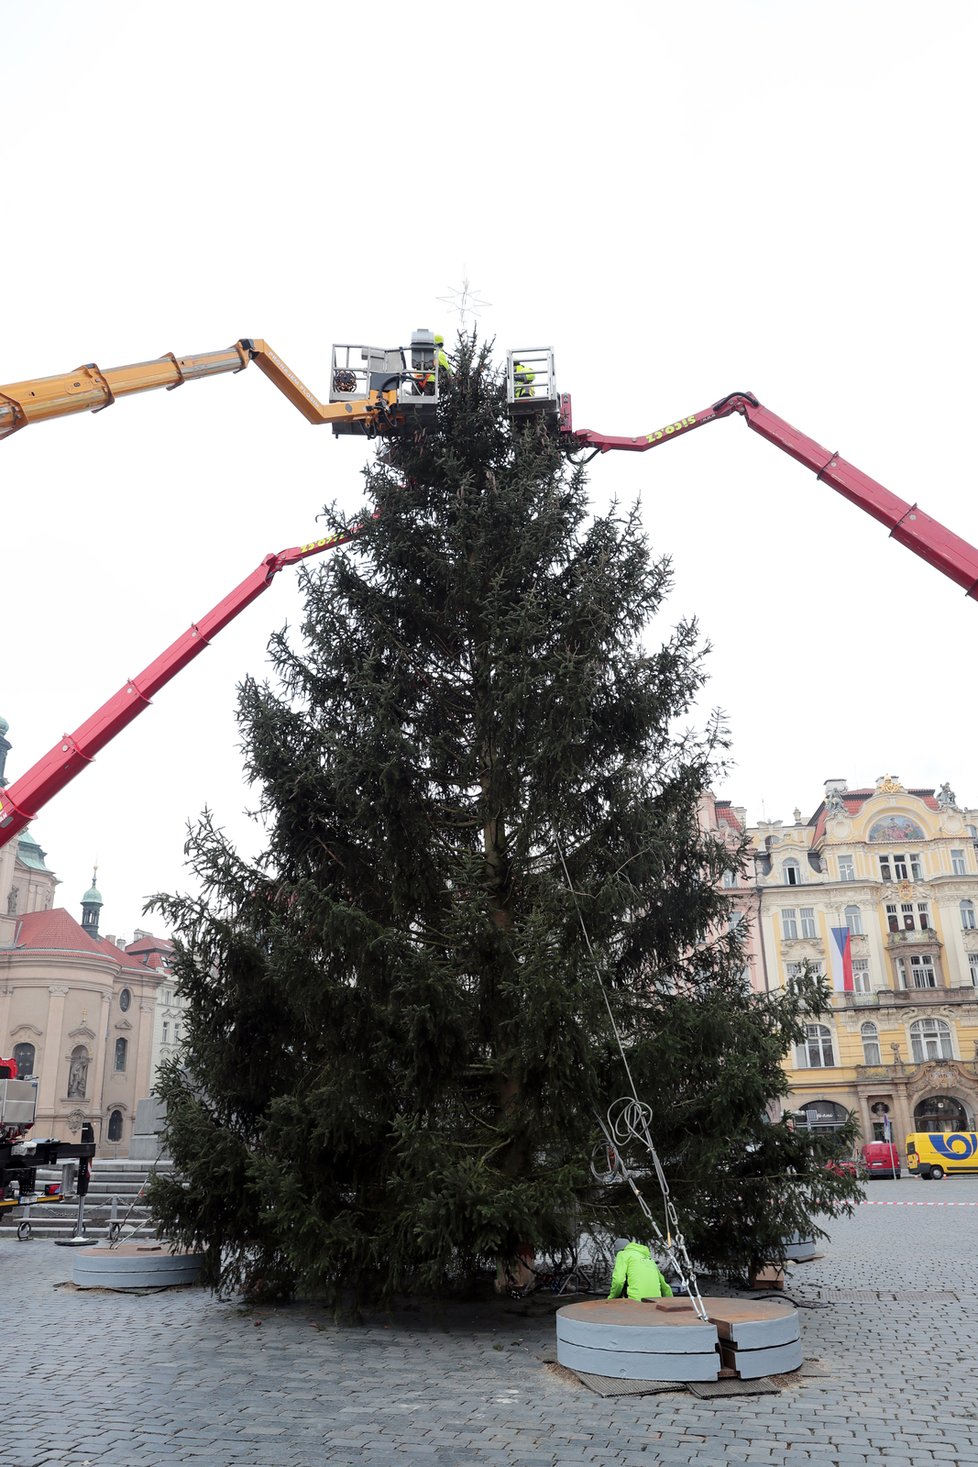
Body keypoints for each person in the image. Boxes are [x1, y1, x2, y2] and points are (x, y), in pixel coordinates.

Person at [607, 1238, 674, 1301]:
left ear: (618, 1251)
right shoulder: (649, 1259)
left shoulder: (623, 1254)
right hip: (655, 1302)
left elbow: (618, 1281)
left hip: (635, 1302)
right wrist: (670, 1301)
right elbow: (664, 1286)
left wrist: (611, 1298)